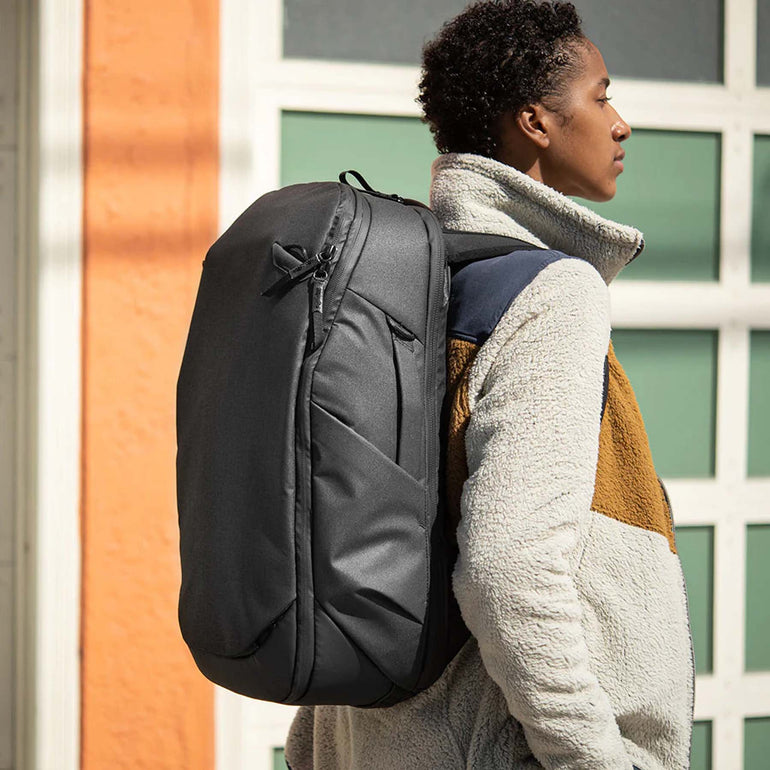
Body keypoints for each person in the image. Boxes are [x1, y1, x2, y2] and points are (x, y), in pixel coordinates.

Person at [285, 1, 695, 768]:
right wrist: (593, 757)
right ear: (535, 121)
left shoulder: (398, 280)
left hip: (371, 738)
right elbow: (509, 568)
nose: (620, 125)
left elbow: (346, 529)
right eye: (601, 97)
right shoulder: (551, 292)